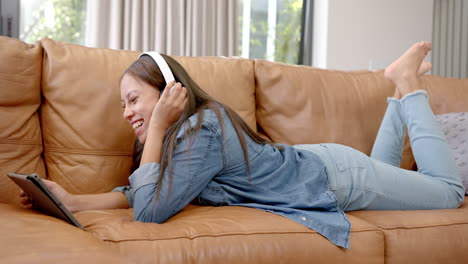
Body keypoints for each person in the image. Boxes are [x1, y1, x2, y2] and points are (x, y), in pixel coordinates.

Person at [20, 42, 465, 248]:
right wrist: (74, 200)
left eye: (134, 99)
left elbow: (148, 210)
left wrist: (156, 128)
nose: (127, 112)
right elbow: (150, 191)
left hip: (337, 178)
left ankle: (407, 82)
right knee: (387, 171)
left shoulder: (202, 129)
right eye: (123, 104)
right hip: (335, 168)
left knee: (447, 191)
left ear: (171, 90)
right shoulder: (184, 140)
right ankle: (396, 88)